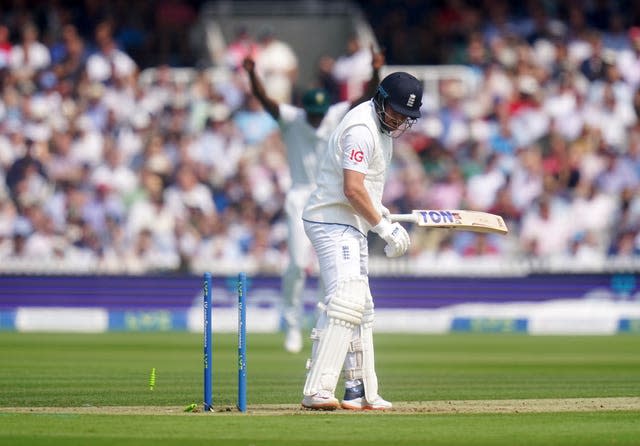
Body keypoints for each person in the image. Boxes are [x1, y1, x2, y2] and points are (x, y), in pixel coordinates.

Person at [243, 48, 384, 354]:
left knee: (328, 266)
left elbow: (366, 97)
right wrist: (252, 73)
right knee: (295, 263)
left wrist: (375, 71)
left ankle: (323, 324)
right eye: (314, 113)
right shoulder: (292, 119)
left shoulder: (335, 115)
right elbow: (264, 99)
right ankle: (292, 326)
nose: (319, 118)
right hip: (299, 194)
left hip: (329, 195)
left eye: (321, 113)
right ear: (304, 109)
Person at [300, 71, 423, 410]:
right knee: (346, 300)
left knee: (362, 307)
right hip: (331, 220)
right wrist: (385, 229)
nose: (398, 119)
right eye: (395, 110)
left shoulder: (382, 131)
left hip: (350, 221)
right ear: (381, 99)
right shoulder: (361, 129)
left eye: (405, 116)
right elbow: (352, 189)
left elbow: (364, 190)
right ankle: (318, 389)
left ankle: (360, 390)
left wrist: (381, 215)